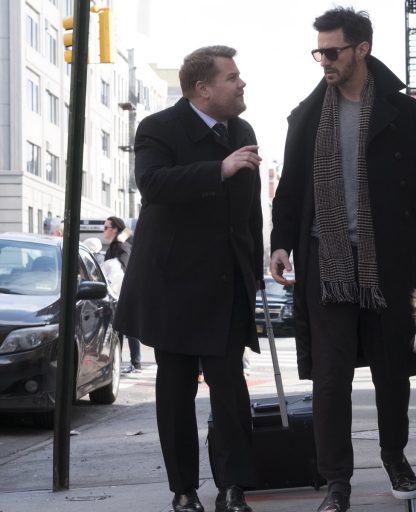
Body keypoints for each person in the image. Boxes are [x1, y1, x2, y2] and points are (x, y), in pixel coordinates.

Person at [269, 8, 416, 512]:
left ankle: (394, 455)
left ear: (361, 49)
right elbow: (291, 191)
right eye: (318, 52)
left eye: (332, 51)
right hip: (327, 263)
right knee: (331, 378)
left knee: (391, 371)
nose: (324, 60)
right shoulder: (306, 116)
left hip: (389, 262)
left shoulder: (402, 112)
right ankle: (336, 481)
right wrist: (281, 243)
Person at [114, 45, 263, 512]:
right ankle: (183, 491)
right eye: (231, 77)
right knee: (176, 390)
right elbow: (153, 184)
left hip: (226, 282)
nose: (241, 83)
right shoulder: (157, 127)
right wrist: (219, 169)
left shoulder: (242, 130)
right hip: (172, 285)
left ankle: (234, 488)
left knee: (230, 388)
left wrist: (257, 271)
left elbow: (250, 212)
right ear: (203, 89)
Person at [103, 216, 140, 370]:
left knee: (126, 327)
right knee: (120, 327)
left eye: (106, 227)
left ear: (115, 229)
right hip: (119, 293)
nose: (103, 230)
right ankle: (122, 361)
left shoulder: (121, 246)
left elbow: (124, 268)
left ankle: (135, 362)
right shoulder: (115, 246)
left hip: (123, 293)